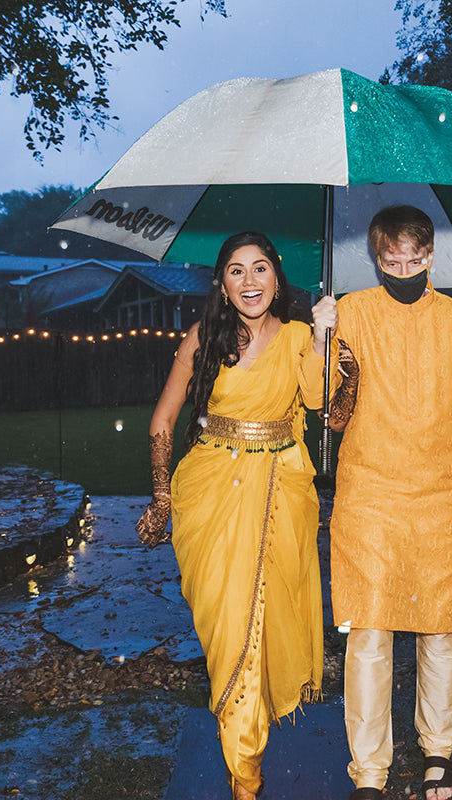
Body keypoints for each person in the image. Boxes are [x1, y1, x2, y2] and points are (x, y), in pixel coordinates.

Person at [304, 205, 452, 800]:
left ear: (431, 257)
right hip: (370, 498)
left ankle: (438, 751)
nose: (404, 269)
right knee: (370, 635)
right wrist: (319, 336)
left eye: (415, 260)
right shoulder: (350, 314)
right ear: (376, 258)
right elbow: (316, 399)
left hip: (440, 498)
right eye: (392, 261)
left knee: (443, 632)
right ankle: (370, 773)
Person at [135, 231, 330, 800]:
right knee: (227, 630)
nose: (250, 282)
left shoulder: (300, 336)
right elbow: (161, 424)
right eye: (236, 271)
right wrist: (162, 500)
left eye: (261, 268)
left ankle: (245, 776)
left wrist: (324, 337)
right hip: (210, 496)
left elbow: (325, 405)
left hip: (280, 495)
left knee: (263, 626)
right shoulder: (202, 337)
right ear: (221, 283)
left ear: (278, 277)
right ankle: (244, 755)